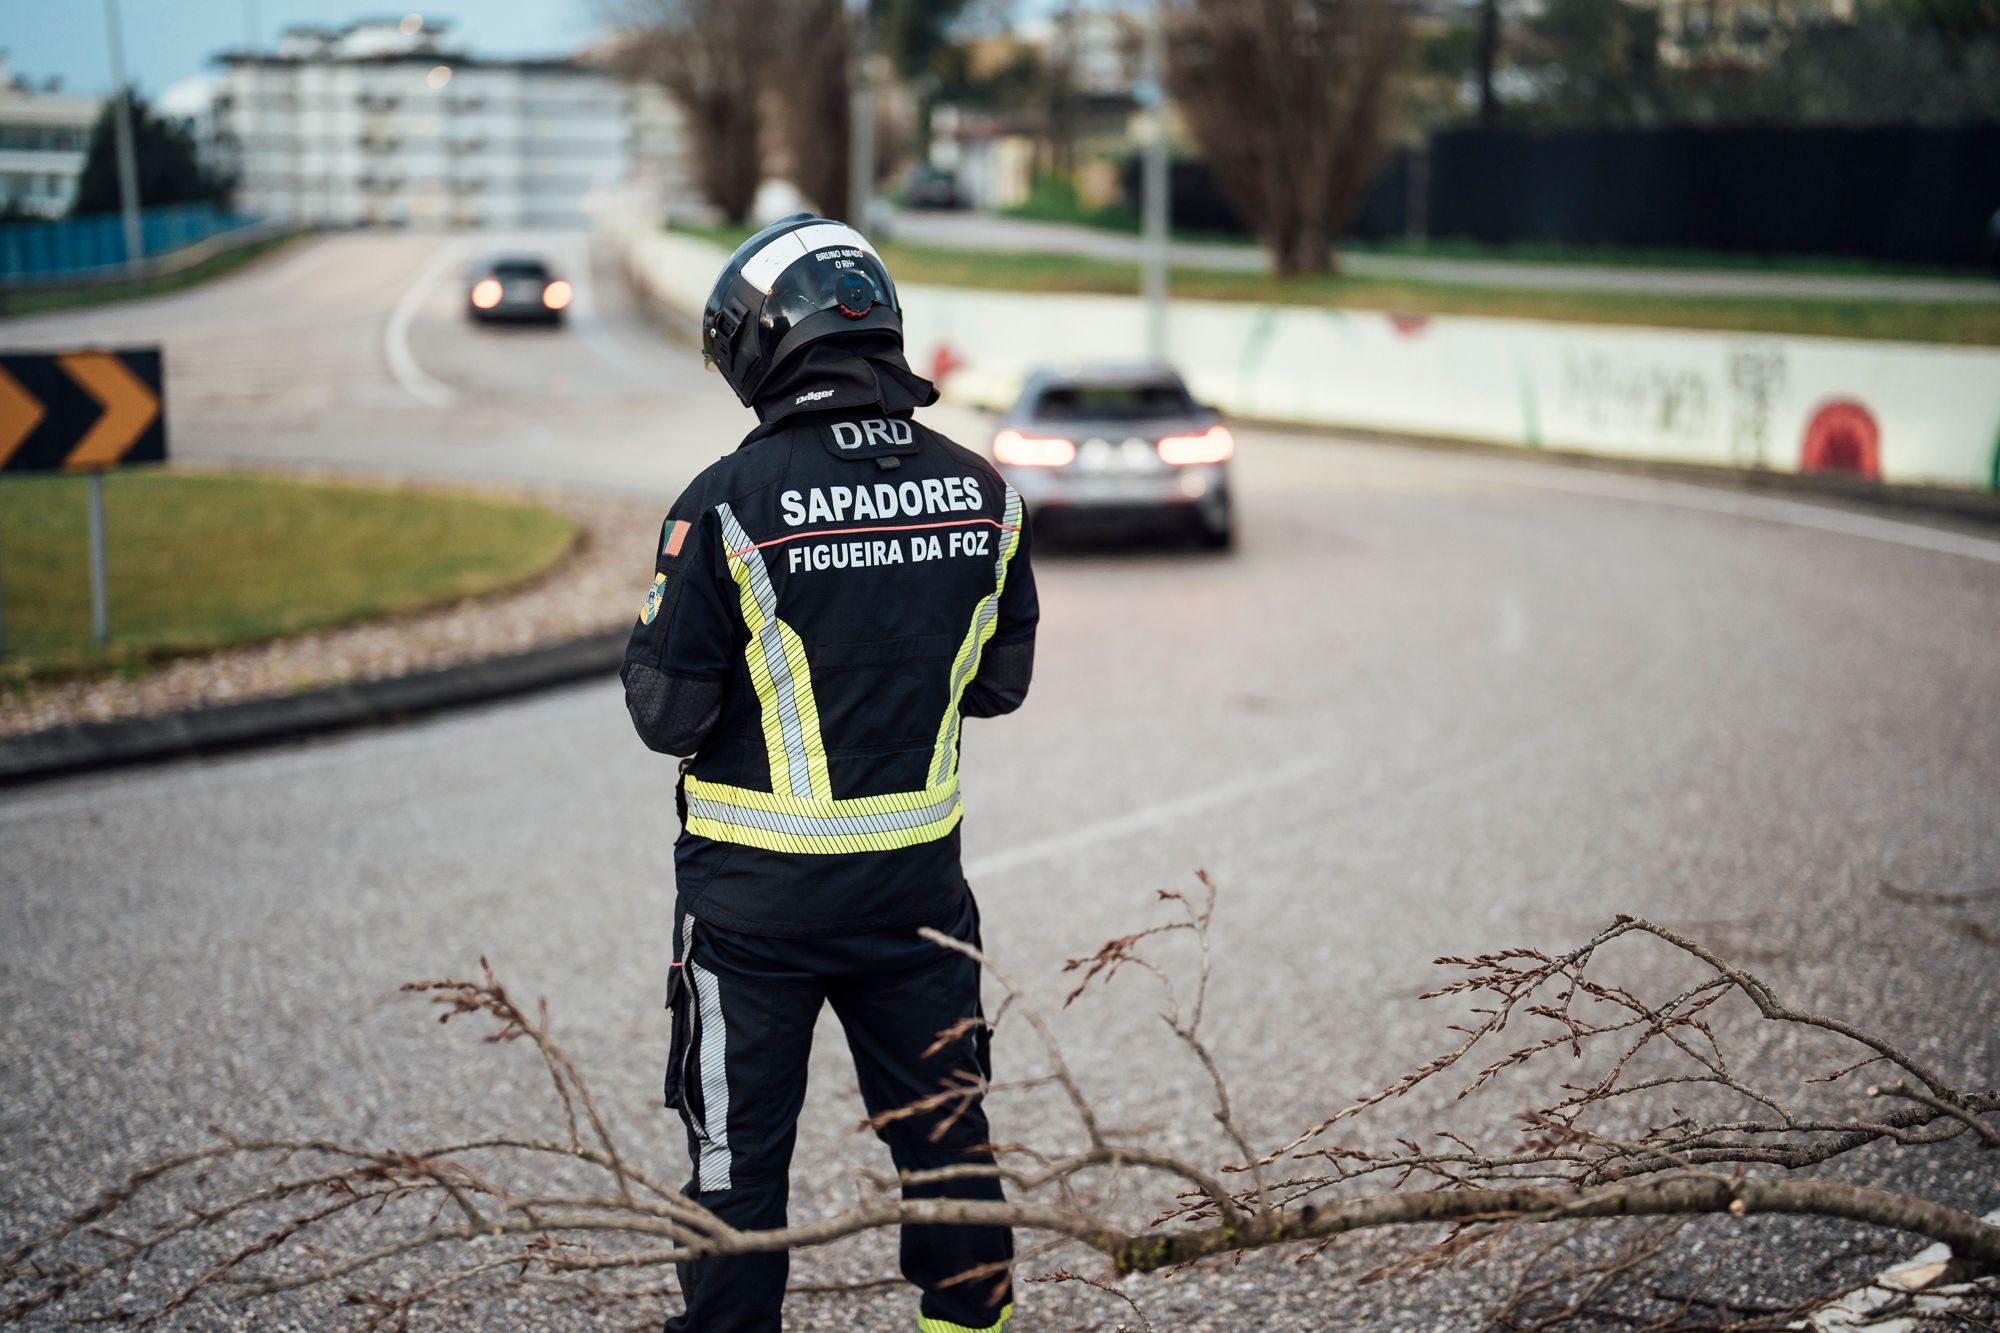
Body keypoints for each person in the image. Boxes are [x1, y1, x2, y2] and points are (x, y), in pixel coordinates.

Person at [621, 213, 1036, 1333]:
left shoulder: (721, 502)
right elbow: (997, 688)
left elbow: (667, 716)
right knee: (948, 1140)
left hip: (753, 909)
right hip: (915, 896)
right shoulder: (985, 494)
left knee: (734, 1163)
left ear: (766, 345)